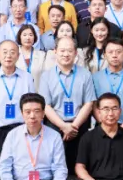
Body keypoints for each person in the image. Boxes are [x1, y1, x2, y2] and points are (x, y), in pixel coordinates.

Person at [37, 37, 96, 170]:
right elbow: (46, 106)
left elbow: (89, 103)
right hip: (54, 126)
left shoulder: (85, 74)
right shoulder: (46, 76)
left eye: (69, 50)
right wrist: (63, 126)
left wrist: (73, 127)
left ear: (75, 53)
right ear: (55, 51)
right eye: (62, 50)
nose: (66, 54)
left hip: (79, 126)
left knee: (79, 166)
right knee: (55, 166)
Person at [0, 40, 34, 156]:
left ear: (18, 56)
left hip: (21, 129)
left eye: (12, 52)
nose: (8, 56)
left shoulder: (27, 77)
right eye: (4, 52)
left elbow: (32, 107)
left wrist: (32, 133)